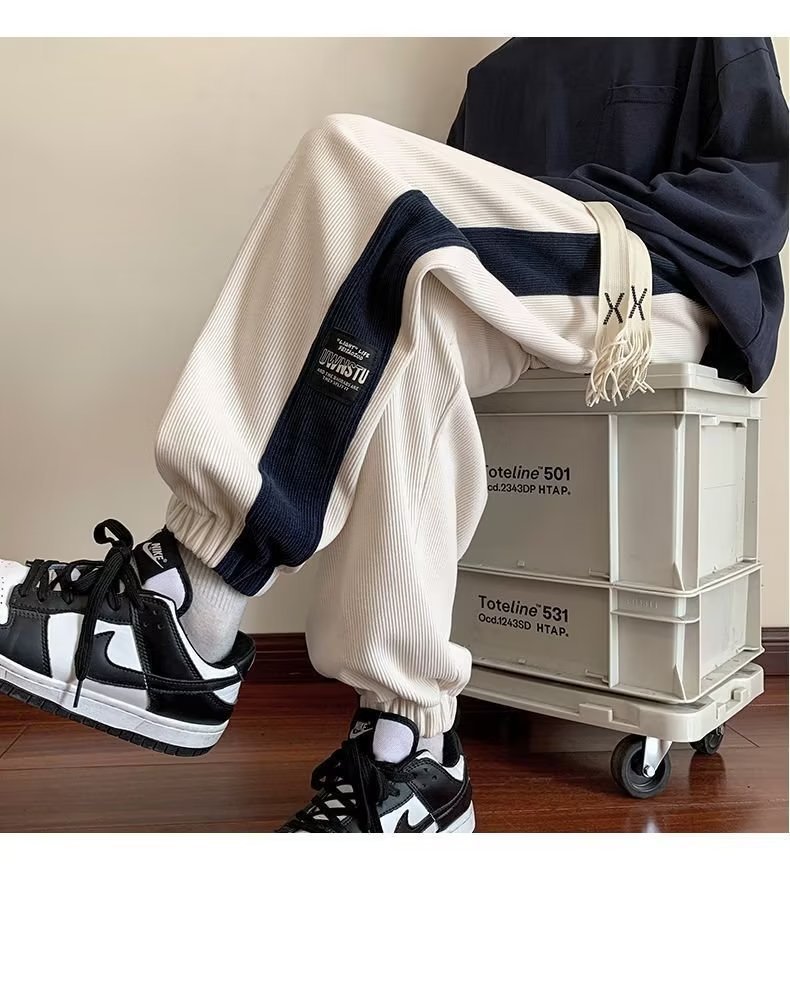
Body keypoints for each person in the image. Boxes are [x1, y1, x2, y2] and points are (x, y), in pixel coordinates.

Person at [0, 38, 786, 833]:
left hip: (660, 280)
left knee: (348, 159)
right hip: (537, 280)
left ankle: (191, 599)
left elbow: (756, 196)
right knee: (407, 308)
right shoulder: (500, 72)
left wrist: (562, 206)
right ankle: (411, 750)